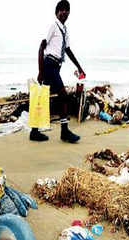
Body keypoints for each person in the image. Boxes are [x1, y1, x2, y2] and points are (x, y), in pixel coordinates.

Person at [30, 0, 85, 143]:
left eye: (67, 10)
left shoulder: (65, 31)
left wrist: (79, 67)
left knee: (43, 97)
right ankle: (64, 132)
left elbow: (67, 50)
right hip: (49, 64)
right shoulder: (53, 27)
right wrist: (40, 71)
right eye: (62, 10)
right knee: (63, 96)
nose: (64, 12)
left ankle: (34, 132)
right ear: (57, 12)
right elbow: (41, 47)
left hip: (56, 67)